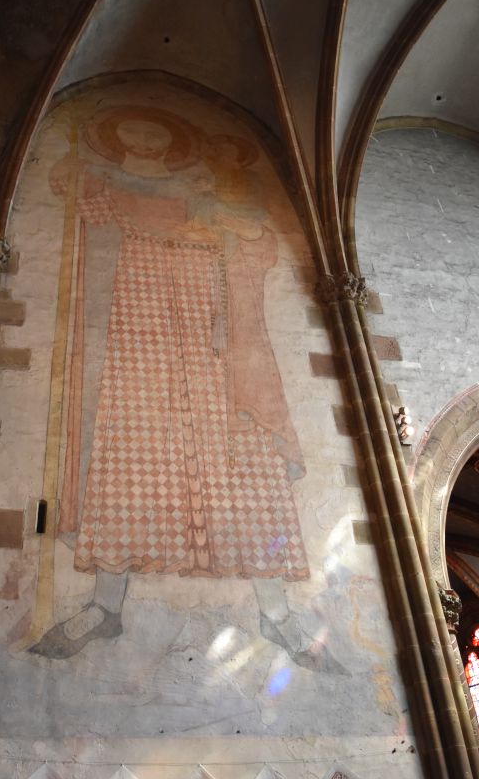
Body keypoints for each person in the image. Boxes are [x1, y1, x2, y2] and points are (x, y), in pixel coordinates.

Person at [34, 104, 309, 657]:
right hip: (143, 327)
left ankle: (277, 613)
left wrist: (232, 225)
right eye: (131, 132)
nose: (144, 143)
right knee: (131, 457)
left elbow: (261, 245)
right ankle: (105, 607)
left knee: (245, 462)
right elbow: (78, 197)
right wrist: (78, 171)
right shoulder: (113, 187)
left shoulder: (216, 192)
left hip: (214, 337)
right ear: (115, 139)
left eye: (154, 134)